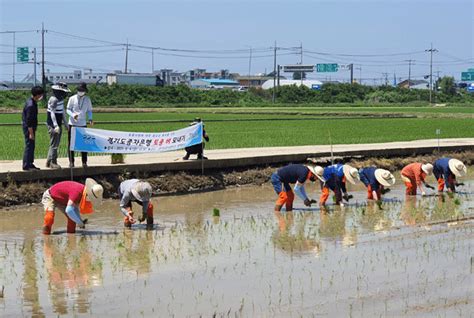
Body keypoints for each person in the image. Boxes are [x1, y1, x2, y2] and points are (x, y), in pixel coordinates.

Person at [67, 82, 93, 168]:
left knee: (83, 144)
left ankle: (84, 162)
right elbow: (68, 110)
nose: (81, 92)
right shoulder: (72, 98)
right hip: (72, 124)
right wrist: (73, 115)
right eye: (79, 90)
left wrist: (90, 119)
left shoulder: (87, 99)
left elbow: (89, 110)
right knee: (71, 144)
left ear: (85, 91)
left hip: (82, 124)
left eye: (82, 90)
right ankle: (71, 162)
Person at [46, 82, 70, 169]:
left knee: (54, 143)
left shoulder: (60, 100)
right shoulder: (54, 99)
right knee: (54, 144)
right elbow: (52, 113)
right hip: (53, 125)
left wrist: (65, 123)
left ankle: (49, 161)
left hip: (58, 124)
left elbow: (62, 111)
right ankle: (53, 162)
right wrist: (55, 126)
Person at [22, 86, 44, 171]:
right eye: (41, 95)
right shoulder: (30, 105)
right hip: (29, 128)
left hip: (31, 127)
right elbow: (29, 121)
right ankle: (26, 165)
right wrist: (31, 133)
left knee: (32, 145)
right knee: (29, 145)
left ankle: (30, 163)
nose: (41, 96)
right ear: (37, 95)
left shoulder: (32, 102)